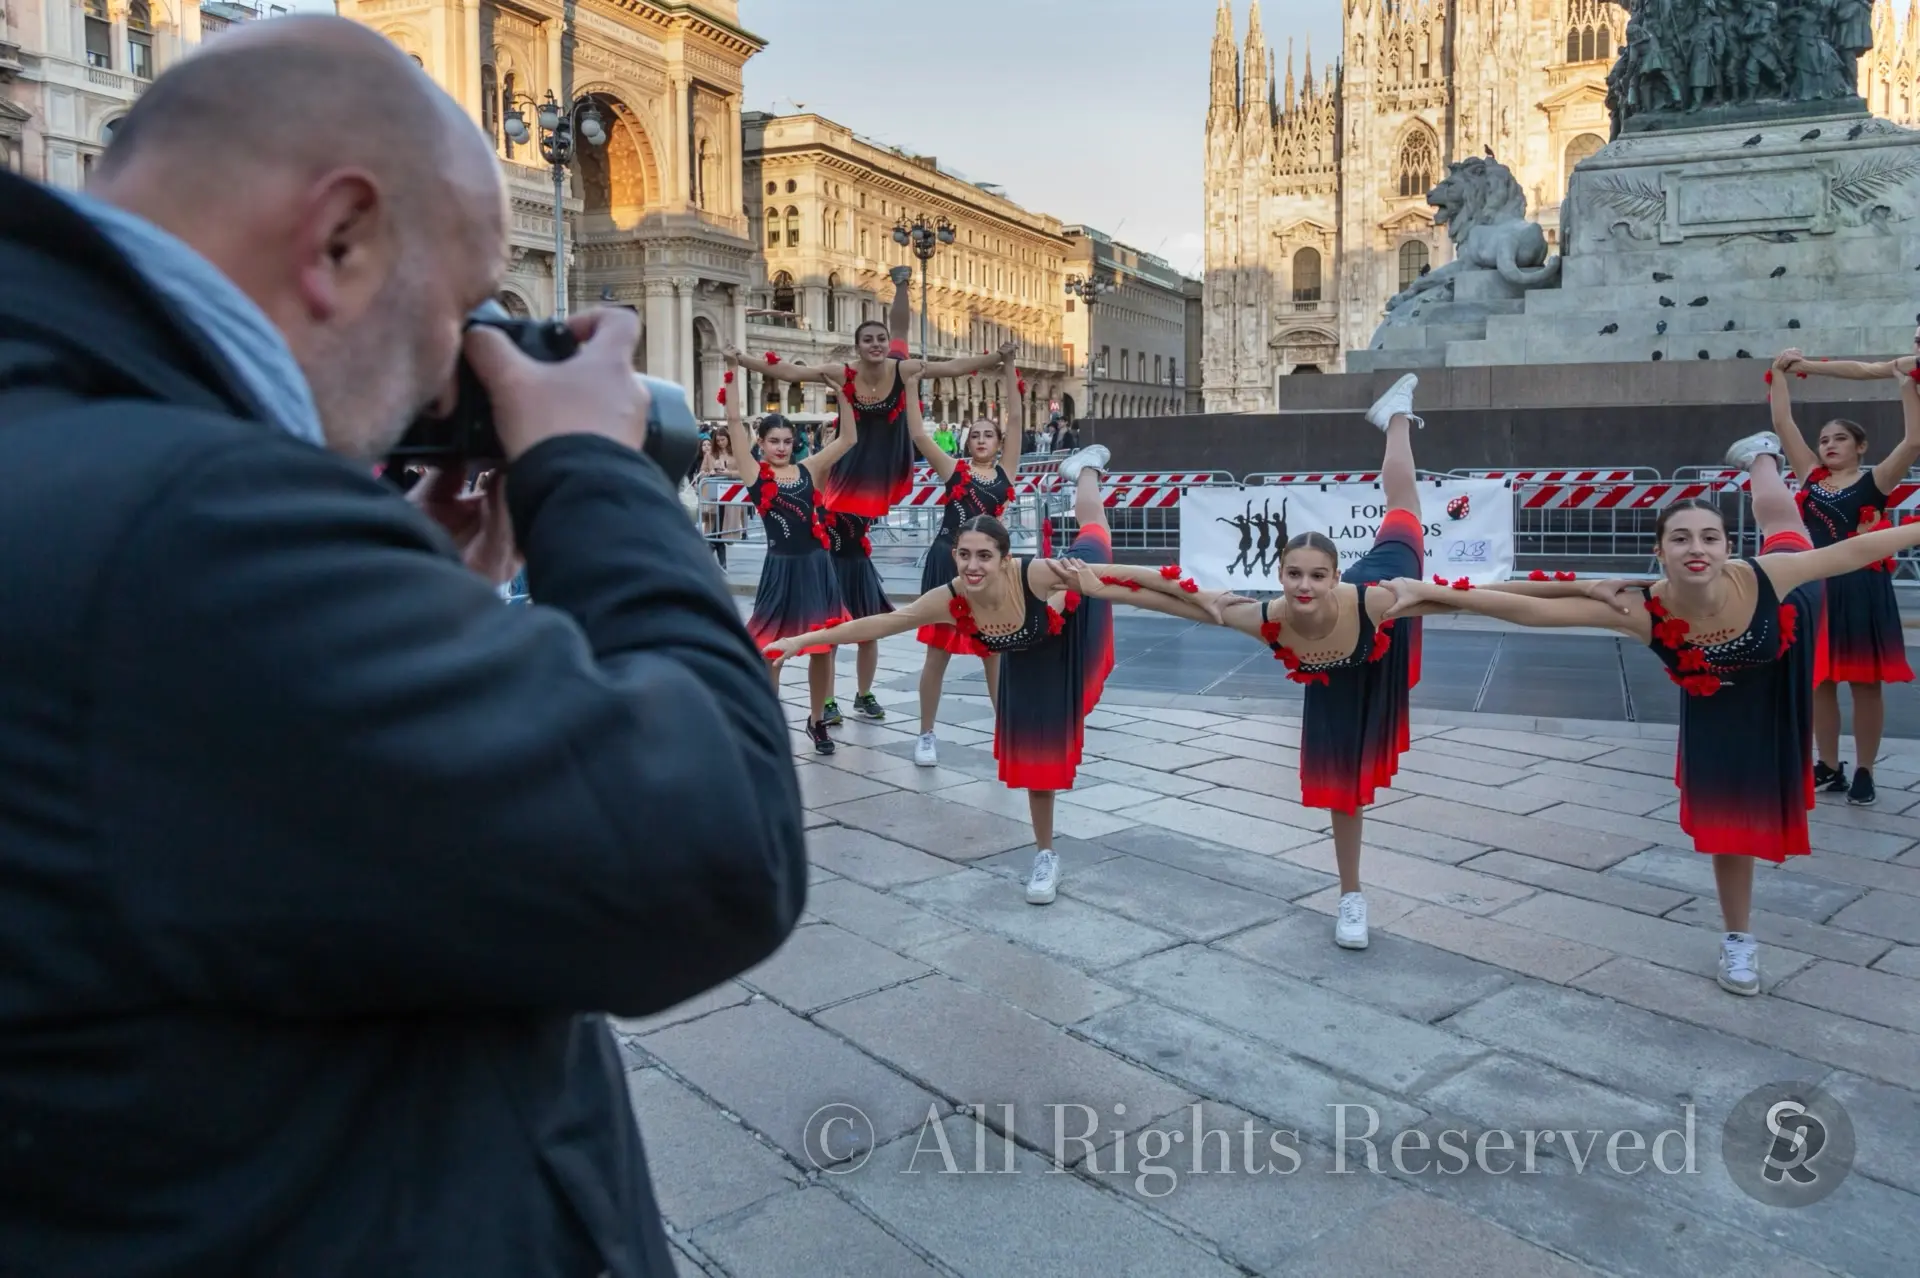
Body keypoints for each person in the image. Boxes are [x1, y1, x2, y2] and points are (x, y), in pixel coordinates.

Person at [0, 20, 807, 1276]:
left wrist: (393, 580)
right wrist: (593, 476)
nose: (460, 367)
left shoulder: (70, 439)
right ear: (339, 239)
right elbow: (719, 842)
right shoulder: (187, 528)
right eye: (466, 306)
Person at [1069, 374, 1635, 949]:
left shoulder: (1381, 597)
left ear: (1335, 577)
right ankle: (1351, 895)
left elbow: (1498, 601)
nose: (1305, 585)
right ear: (1278, 577)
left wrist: (1590, 590)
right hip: (1336, 671)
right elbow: (1164, 601)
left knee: (1404, 506)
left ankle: (1395, 419)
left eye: (1317, 575)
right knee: (1343, 790)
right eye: (1294, 575)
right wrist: (1098, 584)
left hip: (1383, 603)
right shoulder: (1266, 618)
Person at [1382, 402, 1920, 996]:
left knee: (1783, 520)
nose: (1698, 548)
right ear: (1659, 552)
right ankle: (1739, 939)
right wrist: (1433, 593)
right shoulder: (1644, 609)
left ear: (1726, 547)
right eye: (1682, 538)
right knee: (1727, 826)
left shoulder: (1762, 574)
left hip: (1787, 627)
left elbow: (1855, 552)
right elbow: (1534, 609)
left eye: (1711, 537)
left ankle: (1761, 455)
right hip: (1721, 706)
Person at [767, 445, 1118, 904]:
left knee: (1095, 528)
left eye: (984, 556)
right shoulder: (950, 595)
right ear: (953, 555)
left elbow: (1139, 584)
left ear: (1005, 557)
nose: (973, 566)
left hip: (1075, 610)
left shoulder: (1039, 573)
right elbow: (882, 623)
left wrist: (1211, 606)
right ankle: (1045, 853)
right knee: (1039, 766)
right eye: (964, 555)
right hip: (1032, 662)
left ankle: (1086, 470)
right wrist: (798, 641)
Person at [1771, 346, 1920, 804]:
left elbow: (1914, 442)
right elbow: (1783, 425)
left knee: (1865, 683)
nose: (1829, 444)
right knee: (1819, 681)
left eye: (1839, 439)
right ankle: (1828, 765)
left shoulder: (1874, 483)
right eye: (1824, 439)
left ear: (1860, 447)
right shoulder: (1809, 477)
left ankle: (1865, 771)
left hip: (1861, 588)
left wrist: (1906, 386)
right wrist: (1779, 373)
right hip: (1816, 585)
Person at [718, 349, 861, 753]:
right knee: (771, 650)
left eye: (786, 441)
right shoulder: (754, 474)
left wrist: (844, 393)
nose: (781, 447)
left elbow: (849, 438)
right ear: (760, 444)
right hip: (780, 568)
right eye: (773, 441)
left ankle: (818, 722)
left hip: (816, 567)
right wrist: (732, 370)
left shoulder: (809, 469)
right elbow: (731, 420)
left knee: (822, 648)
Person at [735, 333, 1009, 517]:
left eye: (881, 339)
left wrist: (998, 356)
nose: (875, 344)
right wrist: (741, 360)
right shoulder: (841, 372)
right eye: (867, 339)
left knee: (853, 523)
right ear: (858, 347)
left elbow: (953, 367)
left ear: (889, 345)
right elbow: (790, 371)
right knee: (832, 517)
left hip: (887, 458)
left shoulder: (903, 369)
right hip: (848, 456)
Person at [909, 362, 1026, 766]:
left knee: (994, 651)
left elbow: (1015, 415)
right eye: (974, 434)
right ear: (967, 441)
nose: (980, 439)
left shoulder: (1006, 473)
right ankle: (926, 734)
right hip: (947, 564)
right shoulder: (954, 470)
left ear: (999, 441)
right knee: (937, 653)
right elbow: (919, 434)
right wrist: (908, 383)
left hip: (990, 571)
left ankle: (1005, 731)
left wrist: (1009, 367)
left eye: (988, 434)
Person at [820, 505, 892, 727]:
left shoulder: (865, 489)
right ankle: (827, 700)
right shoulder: (822, 485)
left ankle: (864, 694)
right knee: (830, 638)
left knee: (869, 634)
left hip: (860, 568)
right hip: (831, 568)